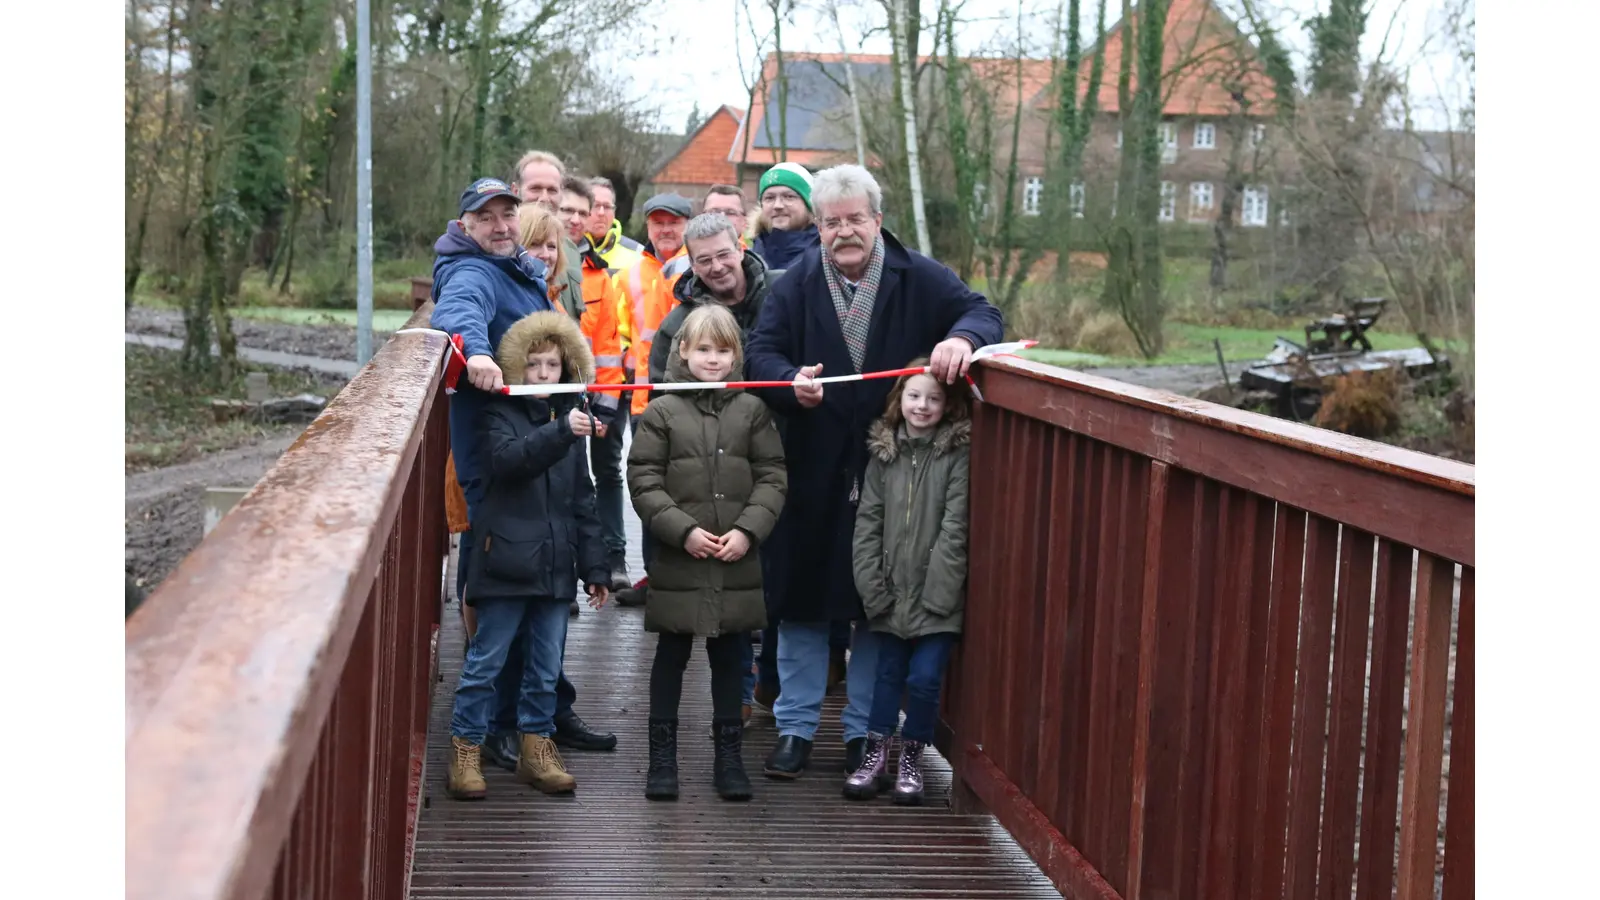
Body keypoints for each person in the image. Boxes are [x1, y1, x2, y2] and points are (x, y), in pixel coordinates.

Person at [743, 163, 1003, 780]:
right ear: (820, 228)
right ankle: (796, 729)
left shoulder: (919, 276)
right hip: (810, 467)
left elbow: (985, 313)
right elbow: (760, 352)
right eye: (831, 223)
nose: (843, 233)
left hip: (893, 473)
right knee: (803, 601)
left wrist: (962, 339)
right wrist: (788, 383)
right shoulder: (797, 280)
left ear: (877, 221)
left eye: (855, 220)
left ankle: (865, 734)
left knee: (873, 605)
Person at [445, 309, 612, 801]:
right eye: (534, 364)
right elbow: (509, 463)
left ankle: (536, 750)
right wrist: (562, 433)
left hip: (557, 568)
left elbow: (584, 500)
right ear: (517, 365)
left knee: (545, 667)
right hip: (505, 562)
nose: (543, 374)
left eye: (553, 366)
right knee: (486, 662)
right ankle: (465, 750)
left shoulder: (569, 422)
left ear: (567, 369)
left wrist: (595, 566)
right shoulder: (497, 414)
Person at [627, 303, 787, 802]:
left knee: (731, 656)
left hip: (736, 557)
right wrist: (682, 530)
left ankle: (728, 759)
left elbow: (773, 476)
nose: (713, 360)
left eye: (723, 350)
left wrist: (748, 531)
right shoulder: (662, 411)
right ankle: (662, 759)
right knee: (670, 655)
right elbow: (644, 480)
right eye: (703, 350)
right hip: (680, 556)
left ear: (736, 354)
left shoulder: (753, 410)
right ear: (683, 353)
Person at [647, 213, 787, 725]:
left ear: (740, 246)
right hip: (699, 477)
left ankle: (767, 691)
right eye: (702, 259)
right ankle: (696, 727)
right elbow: (661, 408)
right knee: (688, 623)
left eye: (723, 254)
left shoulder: (781, 297)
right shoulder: (675, 322)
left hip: (771, 459)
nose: (715, 266)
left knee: (766, 588)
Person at [844, 364, 971, 804]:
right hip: (891, 592)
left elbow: (956, 527)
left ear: (947, 406)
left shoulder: (956, 455)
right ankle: (875, 753)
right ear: (900, 400)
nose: (923, 406)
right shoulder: (884, 454)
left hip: (938, 596)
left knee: (924, 678)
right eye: (915, 397)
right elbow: (868, 523)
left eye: (934, 399)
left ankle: (912, 757)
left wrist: (939, 593)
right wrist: (873, 587)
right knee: (887, 675)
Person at [612, 192, 693, 606]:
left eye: (674, 222)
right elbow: (622, 326)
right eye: (658, 222)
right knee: (649, 489)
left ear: (686, 226)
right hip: (643, 400)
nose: (666, 229)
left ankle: (688, 581)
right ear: (647, 226)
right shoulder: (629, 274)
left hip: (690, 398)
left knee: (691, 490)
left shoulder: (699, 266)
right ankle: (654, 577)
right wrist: (626, 348)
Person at [558, 179, 631, 590]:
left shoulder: (599, 277)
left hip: (591, 396)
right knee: (560, 480)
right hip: (546, 398)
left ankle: (612, 558)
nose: (576, 219)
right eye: (567, 211)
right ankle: (562, 573)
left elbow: (605, 346)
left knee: (604, 472)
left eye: (581, 213)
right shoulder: (538, 260)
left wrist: (603, 407)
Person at [512, 150, 585, 325]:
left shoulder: (571, 250)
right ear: (515, 191)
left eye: (552, 190)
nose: (544, 198)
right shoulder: (501, 245)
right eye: (535, 188)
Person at [750, 162, 819, 270]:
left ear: (809, 205)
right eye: (769, 198)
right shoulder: (750, 259)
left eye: (789, 197)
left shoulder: (825, 257)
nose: (778, 205)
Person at [584, 175, 644, 270]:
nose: (601, 213)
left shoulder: (638, 253)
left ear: (614, 212)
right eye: (596, 205)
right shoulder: (566, 249)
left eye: (607, 207)